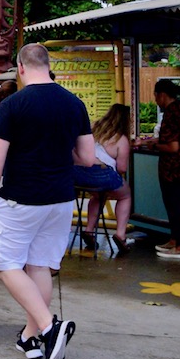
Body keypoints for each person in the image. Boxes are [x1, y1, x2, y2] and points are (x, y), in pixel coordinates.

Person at [0, 43, 94, 359]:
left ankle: (49, 326)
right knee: (40, 266)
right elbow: (86, 158)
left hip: (20, 198)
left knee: (1, 260)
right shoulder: (74, 103)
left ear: (21, 67)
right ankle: (31, 337)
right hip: (60, 199)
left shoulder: (12, 105)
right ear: (47, 64)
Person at [137, 79, 180, 258]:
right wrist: (155, 141)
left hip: (173, 168)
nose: (155, 100)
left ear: (162, 94)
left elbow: (172, 147)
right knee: (173, 204)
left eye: (155, 95)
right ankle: (174, 239)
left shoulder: (171, 114)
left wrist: (153, 146)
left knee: (174, 205)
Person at [74, 103, 134, 256]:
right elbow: (122, 168)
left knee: (98, 195)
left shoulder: (93, 128)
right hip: (102, 173)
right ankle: (121, 234)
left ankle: (89, 230)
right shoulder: (121, 139)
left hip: (78, 173)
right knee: (125, 195)